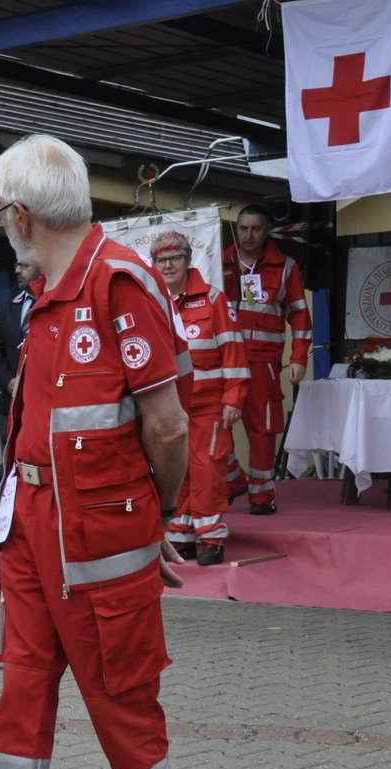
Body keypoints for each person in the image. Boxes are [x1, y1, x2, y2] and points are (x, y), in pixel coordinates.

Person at [0, 134, 194, 769]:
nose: (2, 227)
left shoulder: (119, 286)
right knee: (20, 703)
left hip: (104, 546)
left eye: (1, 214)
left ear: (22, 215)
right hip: (30, 536)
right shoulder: (45, 291)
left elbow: (167, 431)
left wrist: (155, 517)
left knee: (125, 705)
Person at [154, 230, 248, 566]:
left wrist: (234, 399)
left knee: (206, 469)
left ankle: (211, 538)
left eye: (174, 258)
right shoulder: (152, 301)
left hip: (209, 405)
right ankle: (181, 535)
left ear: (187, 261)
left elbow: (234, 352)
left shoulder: (212, 299)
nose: (167, 266)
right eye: (161, 260)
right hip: (169, 406)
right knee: (176, 470)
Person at [221, 205, 312, 515]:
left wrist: (299, 357)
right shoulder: (219, 263)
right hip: (223, 362)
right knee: (215, 427)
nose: (248, 235)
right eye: (243, 228)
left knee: (263, 430)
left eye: (255, 229)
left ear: (266, 231)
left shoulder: (284, 266)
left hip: (264, 364)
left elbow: (299, 314)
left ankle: (262, 496)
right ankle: (233, 480)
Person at [0, 260, 38, 443]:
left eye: (24, 265)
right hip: (15, 400)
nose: (17, 270)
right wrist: (8, 380)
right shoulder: (8, 308)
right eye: (16, 265)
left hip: (48, 399)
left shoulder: (56, 303)